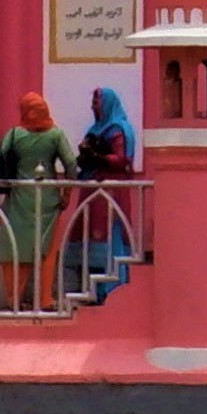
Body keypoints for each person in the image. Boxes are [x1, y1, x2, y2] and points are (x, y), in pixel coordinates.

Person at [62, 87, 141, 303]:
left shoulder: (120, 129)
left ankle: (114, 290)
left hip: (110, 193)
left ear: (106, 104)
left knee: (109, 233)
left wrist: (98, 156)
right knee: (89, 234)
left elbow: (122, 159)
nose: (92, 107)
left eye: (96, 103)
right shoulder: (95, 129)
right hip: (92, 190)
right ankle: (91, 290)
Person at [0, 92, 67, 306]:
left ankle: (14, 299)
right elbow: (70, 165)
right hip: (48, 199)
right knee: (46, 251)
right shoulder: (56, 136)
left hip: (19, 198)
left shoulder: (14, 135)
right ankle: (45, 299)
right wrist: (66, 195)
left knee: (16, 248)